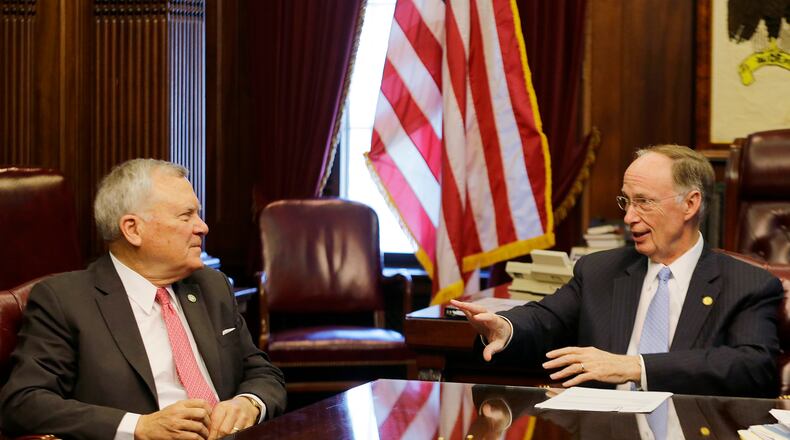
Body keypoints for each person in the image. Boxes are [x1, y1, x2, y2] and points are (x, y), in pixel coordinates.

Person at [452, 145, 783, 397]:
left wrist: (637, 366)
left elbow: (752, 366)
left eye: (644, 202)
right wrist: (505, 328)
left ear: (690, 204)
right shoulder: (602, 270)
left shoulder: (747, 284)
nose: (629, 218)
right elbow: (546, 318)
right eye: (627, 202)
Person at [0, 159, 286, 439]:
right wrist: (138, 427)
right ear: (133, 229)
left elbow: (262, 372)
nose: (203, 227)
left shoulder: (212, 286)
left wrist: (248, 403)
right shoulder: (64, 300)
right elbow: (23, 402)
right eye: (186, 216)